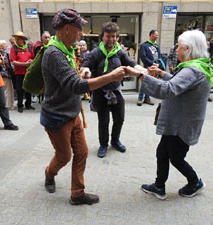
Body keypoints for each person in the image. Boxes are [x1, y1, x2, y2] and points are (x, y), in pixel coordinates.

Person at [41, 8, 126, 205]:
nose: (81, 33)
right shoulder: (54, 53)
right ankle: (49, 173)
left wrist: (82, 74)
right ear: (68, 28)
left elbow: (71, 81)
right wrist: (111, 77)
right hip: (57, 117)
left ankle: (77, 194)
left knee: (82, 153)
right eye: (79, 29)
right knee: (64, 157)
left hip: (72, 113)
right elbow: (77, 87)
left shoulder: (66, 49)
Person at [125, 29, 213, 200]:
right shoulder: (196, 67)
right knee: (163, 153)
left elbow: (169, 89)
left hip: (180, 125)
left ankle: (195, 182)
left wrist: (140, 75)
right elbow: (178, 83)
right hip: (178, 123)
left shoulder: (193, 70)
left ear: (188, 49)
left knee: (176, 158)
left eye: (179, 46)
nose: (176, 49)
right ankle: (159, 186)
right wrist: (161, 73)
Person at [81, 22, 147, 158]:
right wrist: (86, 71)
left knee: (120, 118)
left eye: (113, 36)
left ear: (117, 37)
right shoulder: (96, 52)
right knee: (103, 121)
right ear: (102, 37)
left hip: (116, 91)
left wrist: (145, 71)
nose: (110, 39)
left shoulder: (120, 52)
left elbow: (132, 64)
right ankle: (103, 144)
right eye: (107, 36)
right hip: (100, 91)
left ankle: (115, 140)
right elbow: (85, 65)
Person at [10, 31, 35, 113]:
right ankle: (20, 105)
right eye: (16, 38)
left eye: (18, 38)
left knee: (28, 88)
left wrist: (31, 61)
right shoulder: (14, 48)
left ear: (23, 39)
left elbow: (33, 58)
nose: (16, 40)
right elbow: (13, 61)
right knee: (19, 90)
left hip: (28, 72)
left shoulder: (29, 47)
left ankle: (28, 104)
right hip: (18, 73)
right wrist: (25, 64)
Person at [137, 29, 161, 106]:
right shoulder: (145, 45)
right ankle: (140, 98)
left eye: (157, 35)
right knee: (145, 82)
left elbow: (159, 56)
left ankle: (147, 98)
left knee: (150, 84)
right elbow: (143, 57)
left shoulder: (157, 46)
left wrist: (158, 64)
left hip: (155, 67)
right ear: (151, 35)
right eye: (156, 35)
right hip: (147, 67)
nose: (157, 36)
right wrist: (152, 63)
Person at [0, 40, 15, 109]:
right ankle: (8, 105)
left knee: (5, 89)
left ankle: (9, 104)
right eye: (5, 45)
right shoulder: (3, 54)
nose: (6, 46)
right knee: (8, 89)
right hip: (5, 74)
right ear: (1, 46)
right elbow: (7, 64)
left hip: (1, 74)